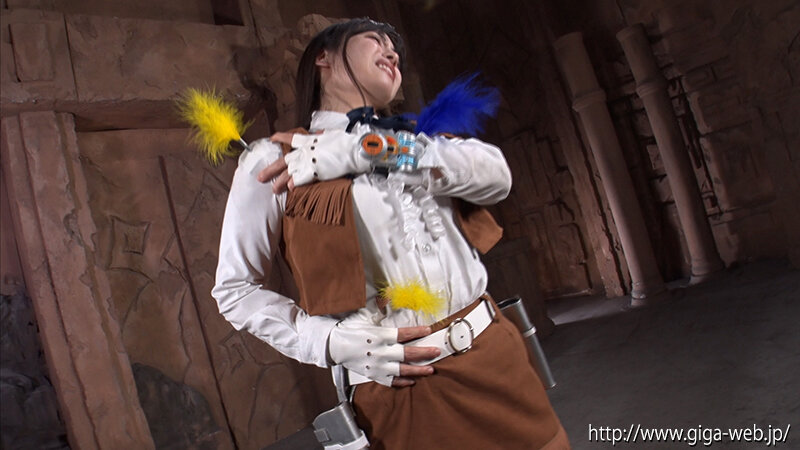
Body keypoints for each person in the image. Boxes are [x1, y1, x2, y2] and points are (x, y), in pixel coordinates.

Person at [212, 17, 569, 449]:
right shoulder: (273, 159)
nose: (391, 51)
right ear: (323, 57)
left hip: (495, 355)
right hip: (404, 388)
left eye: (394, 45)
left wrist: (367, 150)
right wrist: (326, 341)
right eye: (373, 39)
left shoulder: (419, 140)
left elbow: (496, 177)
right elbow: (234, 290)